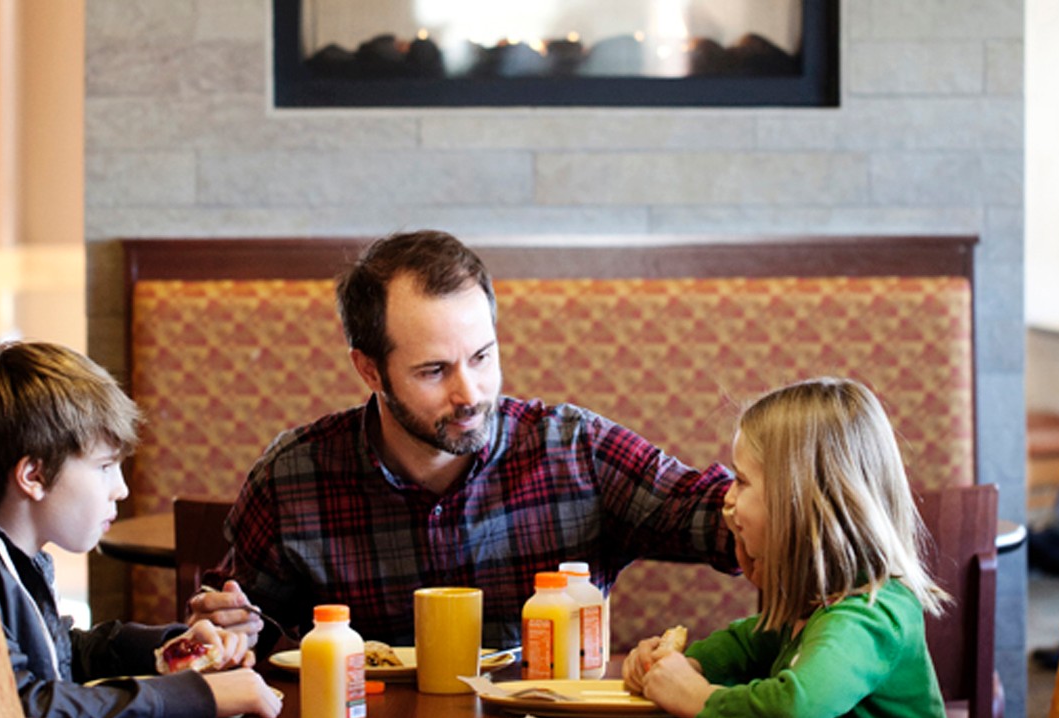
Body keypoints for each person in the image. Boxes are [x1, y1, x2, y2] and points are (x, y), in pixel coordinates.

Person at [192, 229, 740, 649]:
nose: (469, 393)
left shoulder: (575, 450)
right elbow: (236, 626)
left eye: (482, 357)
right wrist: (223, 626)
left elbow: (714, 519)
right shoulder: (296, 477)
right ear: (369, 370)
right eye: (433, 371)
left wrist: (785, 496)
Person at [622, 378, 972, 718]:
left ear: (801, 501)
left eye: (741, 482)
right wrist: (685, 662)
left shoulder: (870, 615)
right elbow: (750, 641)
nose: (727, 498)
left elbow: (796, 709)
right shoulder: (813, 608)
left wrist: (694, 696)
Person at [0, 342, 281, 718]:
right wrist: (198, 697)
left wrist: (173, 647)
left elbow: (58, 651)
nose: (121, 488)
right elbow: (23, 707)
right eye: (104, 466)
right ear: (34, 476)